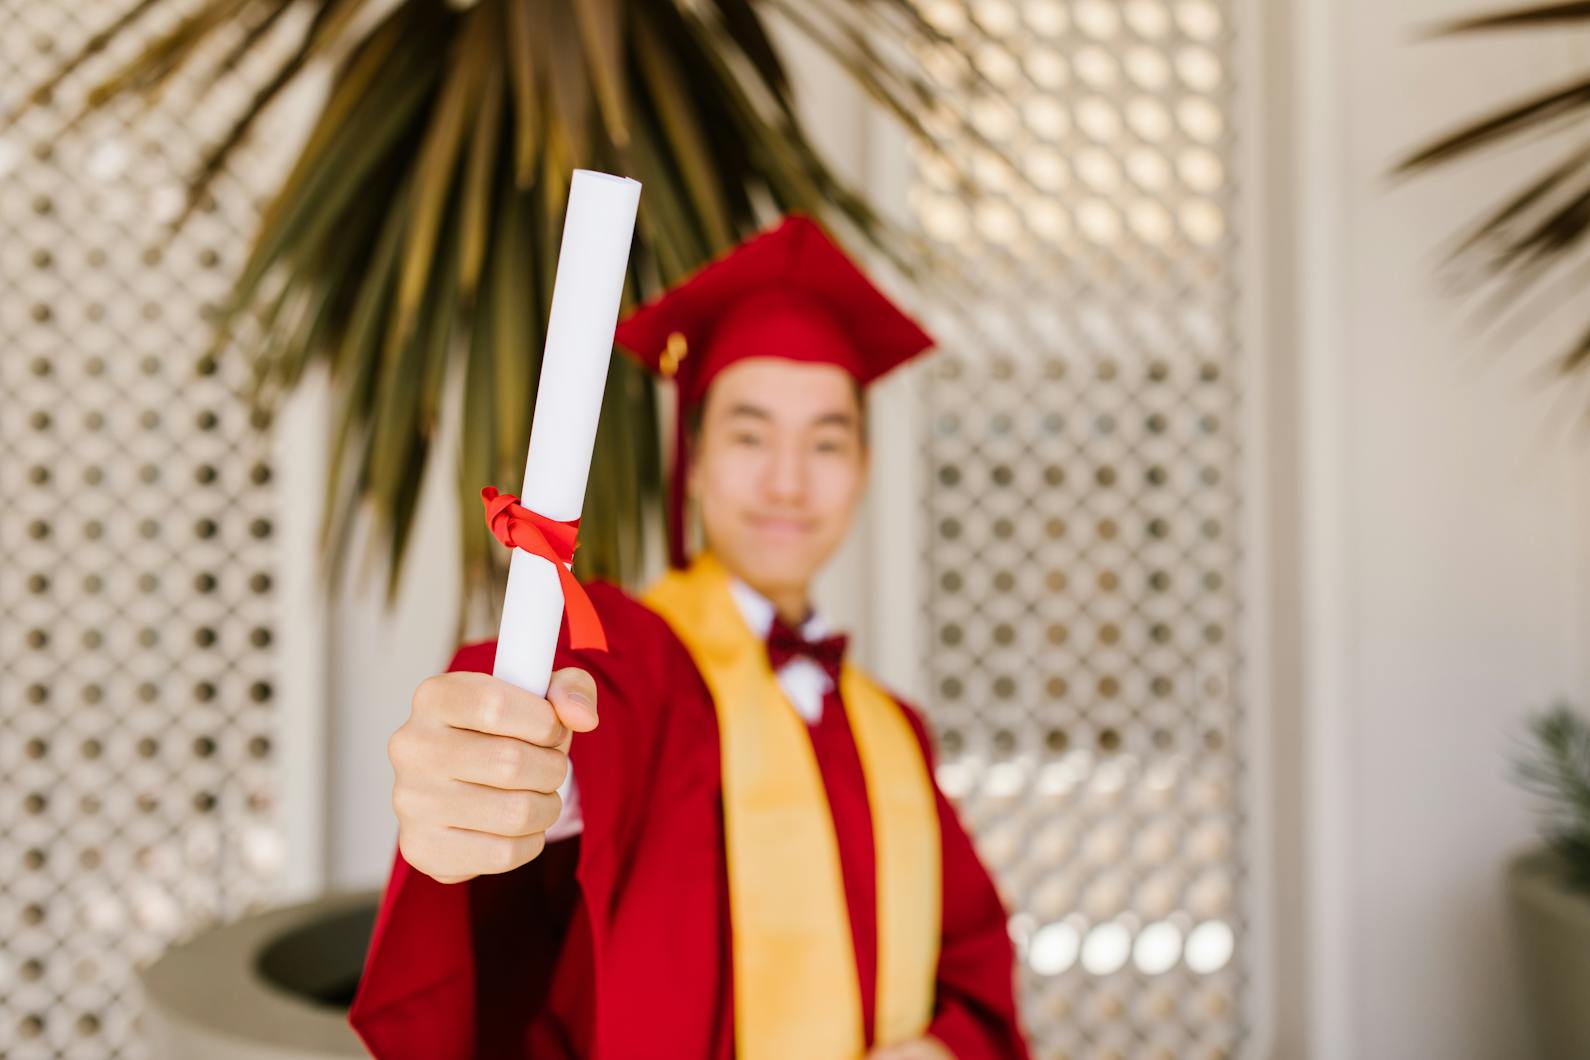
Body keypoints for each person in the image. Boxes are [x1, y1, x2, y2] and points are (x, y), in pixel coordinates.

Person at [349, 215, 1029, 1059]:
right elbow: (570, 701)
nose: (788, 480)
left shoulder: (893, 732)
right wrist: (491, 757)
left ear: (862, 468)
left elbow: (974, 974)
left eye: (826, 442)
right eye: (750, 436)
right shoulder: (646, 660)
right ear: (695, 461)